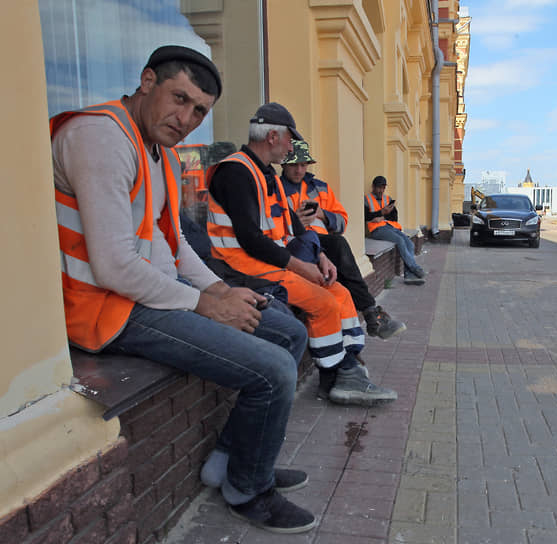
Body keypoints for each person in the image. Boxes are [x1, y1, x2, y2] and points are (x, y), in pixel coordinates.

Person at [50, 46, 315, 533]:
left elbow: (174, 246)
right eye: (179, 99)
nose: (186, 118)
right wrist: (206, 305)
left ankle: (237, 461)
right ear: (147, 81)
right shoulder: (100, 137)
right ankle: (248, 490)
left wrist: (219, 290)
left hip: (150, 292)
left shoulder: (160, 153)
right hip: (107, 311)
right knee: (275, 368)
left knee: (287, 333)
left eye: (199, 111)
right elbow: (111, 266)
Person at [206, 103, 398, 406]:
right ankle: (339, 377)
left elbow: (296, 228)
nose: (291, 150)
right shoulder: (236, 171)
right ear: (273, 136)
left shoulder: (266, 174)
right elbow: (250, 239)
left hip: (270, 263)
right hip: (244, 270)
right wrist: (301, 267)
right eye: (289, 141)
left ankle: (346, 372)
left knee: (341, 294)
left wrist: (320, 256)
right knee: (323, 302)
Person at [280, 140, 406, 340]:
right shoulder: (277, 190)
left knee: (340, 259)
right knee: (340, 250)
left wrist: (322, 214)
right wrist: (295, 222)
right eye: (294, 165)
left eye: (303, 164)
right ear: (284, 165)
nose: (299, 170)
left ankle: (369, 317)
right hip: (297, 246)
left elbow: (342, 222)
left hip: (323, 246)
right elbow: (272, 227)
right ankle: (371, 313)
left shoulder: (320, 187)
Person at [365, 176, 426, 285]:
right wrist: (380, 213)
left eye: (383, 188)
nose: (381, 190)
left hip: (390, 227)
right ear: (373, 187)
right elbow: (366, 216)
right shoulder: (366, 199)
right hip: (377, 229)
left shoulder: (388, 199)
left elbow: (394, 217)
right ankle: (414, 268)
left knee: (410, 244)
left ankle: (409, 275)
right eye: (379, 188)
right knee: (400, 241)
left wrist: (382, 217)